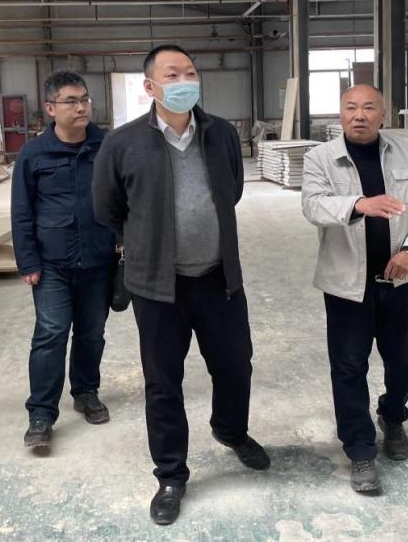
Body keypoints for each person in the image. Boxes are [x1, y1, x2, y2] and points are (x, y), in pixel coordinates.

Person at [93, 45, 269, 526]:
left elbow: (232, 190)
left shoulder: (221, 134)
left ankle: (230, 430)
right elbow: (107, 208)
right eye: (172, 74)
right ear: (150, 86)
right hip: (158, 287)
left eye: (190, 71)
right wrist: (146, 240)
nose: (185, 80)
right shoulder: (123, 143)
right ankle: (171, 474)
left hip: (218, 278)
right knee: (163, 382)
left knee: (235, 365)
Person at [301, 84, 408, 495]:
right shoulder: (320, 158)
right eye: (350, 107)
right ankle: (360, 449)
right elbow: (313, 205)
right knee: (348, 368)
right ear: (340, 114)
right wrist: (358, 204)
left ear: (383, 114)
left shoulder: (407, 152)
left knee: (404, 362)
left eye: (368, 107)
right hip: (347, 286)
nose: (359, 115)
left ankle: (392, 415)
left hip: (400, 280)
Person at [11, 71, 116, 454]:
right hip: (51, 263)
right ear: (51, 108)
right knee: (51, 334)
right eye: (71, 101)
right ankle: (41, 413)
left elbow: (125, 198)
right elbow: (21, 211)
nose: (82, 107)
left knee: (92, 333)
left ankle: (86, 392)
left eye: (85, 99)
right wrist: (28, 262)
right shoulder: (33, 154)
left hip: (99, 259)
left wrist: (124, 246)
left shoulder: (107, 146)